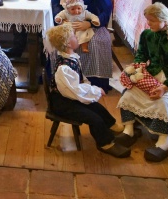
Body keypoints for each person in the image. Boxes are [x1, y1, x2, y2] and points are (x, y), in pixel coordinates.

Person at [115, 2, 168, 162]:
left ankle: (163, 142)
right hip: (152, 75)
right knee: (128, 96)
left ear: (164, 20)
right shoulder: (147, 35)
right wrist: (136, 67)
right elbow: (141, 55)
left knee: (164, 103)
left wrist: (166, 87)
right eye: (147, 20)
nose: (148, 24)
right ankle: (129, 130)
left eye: (152, 21)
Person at [46, 23, 129, 158]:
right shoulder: (64, 68)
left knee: (97, 108)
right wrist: (94, 91)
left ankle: (112, 127)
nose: (77, 37)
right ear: (67, 43)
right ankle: (105, 143)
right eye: (73, 36)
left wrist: (91, 90)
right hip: (62, 103)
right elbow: (75, 91)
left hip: (70, 97)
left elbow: (81, 80)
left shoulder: (71, 57)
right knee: (94, 118)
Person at [50, 0, 113, 92]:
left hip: (87, 21)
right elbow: (54, 4)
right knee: (57, 40)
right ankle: (62, 80)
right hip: (65, 22)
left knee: (98, 42)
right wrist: (61, 20)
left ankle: (95, 82)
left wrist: (89, 23)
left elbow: (107, 7)